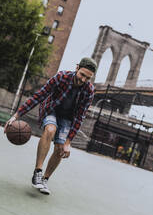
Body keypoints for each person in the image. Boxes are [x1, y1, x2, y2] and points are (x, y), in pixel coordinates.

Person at [4, 57, 97, 195]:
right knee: (50, 129)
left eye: (87, 78)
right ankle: (38, 172)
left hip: (68, 118)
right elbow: (39, 96)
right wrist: (16, 116)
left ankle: (45, 179)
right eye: (82, 75)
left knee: (60, 148)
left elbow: (79, 117)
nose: (83, 80)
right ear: (77, 67)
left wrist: (68, 142)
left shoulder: (89, 91)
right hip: (51, 109)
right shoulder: (61, 77)